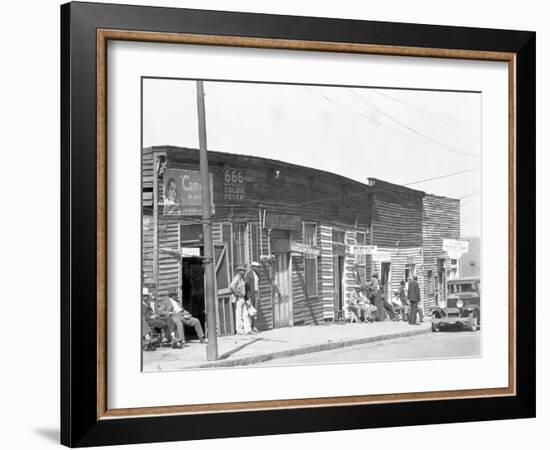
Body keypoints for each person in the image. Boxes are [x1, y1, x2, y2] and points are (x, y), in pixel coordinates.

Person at [231, 264, 251, 334]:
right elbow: (232, 286)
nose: (243, 271)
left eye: (244, 270)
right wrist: (238, 294)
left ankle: (247, 329)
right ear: (239, 271)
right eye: (242, 270)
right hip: (238, 298)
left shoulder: (242, 278)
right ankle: (239, 330)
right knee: (239, 314)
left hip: (243, 298)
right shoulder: (236, 278)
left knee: (245, 314)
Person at [245, 262, 261, 333]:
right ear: (252, 267)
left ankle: (255, 326)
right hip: (251, 294)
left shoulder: (257, 275)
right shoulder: (249, 275)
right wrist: (248, 297)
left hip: (256, 293)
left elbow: (258, 285)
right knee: (250, 310)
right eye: (256, 267)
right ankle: (249, 328)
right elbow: (247, 286)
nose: (257, 268)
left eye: (258, 267)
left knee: (255, 311)